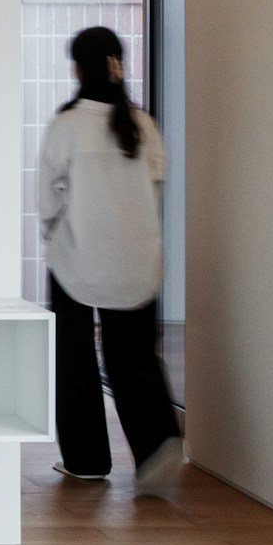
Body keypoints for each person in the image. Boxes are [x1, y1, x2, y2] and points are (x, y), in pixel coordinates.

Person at [38, 25, 183, 495]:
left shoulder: (67, 125)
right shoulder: (144, 125)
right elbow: (155, 191)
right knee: (135, 357)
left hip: (77, 261)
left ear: (78, 69)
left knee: (75, 359)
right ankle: (156, 447)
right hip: (136, 261)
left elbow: (47, 199)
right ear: (118, 65)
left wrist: (54, 233)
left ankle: (85, 460)